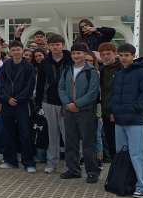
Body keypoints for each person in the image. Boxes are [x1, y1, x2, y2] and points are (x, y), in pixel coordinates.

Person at [110, 43, 143, 198]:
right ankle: (125, 182)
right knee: (122, 154)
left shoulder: (142, 72)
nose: (123, 58)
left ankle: (142, 187)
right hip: (119, 120)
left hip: (135, 120)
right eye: (121, 55)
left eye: (126, 55)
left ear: (133, 56)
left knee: (137, 154)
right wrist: (113, 112)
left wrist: (136, 108)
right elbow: (114, 95)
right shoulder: (119, 73)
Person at [58, 42, 101, 184]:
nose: (76, 56)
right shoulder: (67, 70)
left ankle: (92, 172)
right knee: (71, 141)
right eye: (74, 53)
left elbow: (93, 92)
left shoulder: (91, 72)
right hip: (69, 111)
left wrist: (77, 104)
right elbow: (61, 88)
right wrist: (68, 104)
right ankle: (73, 170)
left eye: (79, 53)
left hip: (86, 112)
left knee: (89, 143)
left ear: (85, 55)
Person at [36, 33, 72, 174]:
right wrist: (38, 103)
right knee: (52, 134)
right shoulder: (45, 62)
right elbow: (40, 84)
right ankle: (52, 163)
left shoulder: (70, 60)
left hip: (66, 103)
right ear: (48, 46)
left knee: (68, 135)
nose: (55, 47)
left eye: (58, 44)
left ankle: (71, 164)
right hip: (49, 102)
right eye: (52, 45)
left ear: (62, 45)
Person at [0, 41, 37, 172]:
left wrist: (18, 99)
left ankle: (29, 163)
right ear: (10, 51)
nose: (16, 52)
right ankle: (10, 160)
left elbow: (29, 86)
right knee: (8, 133)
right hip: (7, 104)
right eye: (13, 50)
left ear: (22, 50)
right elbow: (1, 85)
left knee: (25, 133)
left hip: (22, 104)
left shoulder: (28, 66)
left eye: (18, 49)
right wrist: (7, 98)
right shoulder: (5, 66)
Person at [98, 42, 121, 162]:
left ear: (115, 54)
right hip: (106, 113)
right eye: (102, 54)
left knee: (120, 146)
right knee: (111, 145)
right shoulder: (103, 70)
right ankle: (116, 174)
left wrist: (114, 111)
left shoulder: (122, 69)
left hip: (117, 114)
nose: (105, 57)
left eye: (108, 54)